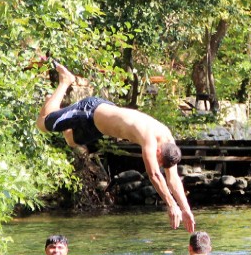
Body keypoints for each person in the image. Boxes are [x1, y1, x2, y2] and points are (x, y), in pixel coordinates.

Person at [36, 61, 195, 233]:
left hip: (99, 128)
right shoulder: (149, 137)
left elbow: (173, 178)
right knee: (42, 124)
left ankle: (59, 112)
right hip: (89, 111)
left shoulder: (168, 140)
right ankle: (64, 82)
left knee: (71, 141)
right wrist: (171, 205)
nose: (159, 164)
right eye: (159, 160)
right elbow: (154, 174)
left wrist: (186, 209)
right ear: (158, 151)